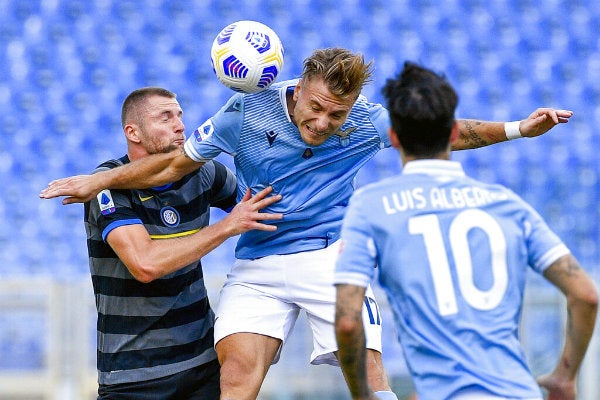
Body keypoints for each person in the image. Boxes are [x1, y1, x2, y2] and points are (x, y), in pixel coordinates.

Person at [40, 48, 574, 400]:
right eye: (315, 108)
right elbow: (178, 163)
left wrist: (517, 129)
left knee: (365, 373)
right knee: (235, 378)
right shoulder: (244, 112)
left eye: (334, 116)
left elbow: (446, 133)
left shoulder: (366, 118)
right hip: (258, 260)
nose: (322, 123)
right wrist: (97, 182)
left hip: (327, 257)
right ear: (300, 87)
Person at [334, 61, 598, 400]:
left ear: (395, 138)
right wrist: (565, 376)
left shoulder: (371, 206)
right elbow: (585, 295)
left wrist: (362, 393)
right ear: (454, 133)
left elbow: (347, 321)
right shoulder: (506, 204)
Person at [83, 87, 282, 400]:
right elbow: (145, 264)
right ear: (133, 132)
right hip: (133, 376)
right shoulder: (107, 184)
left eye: (179, 116)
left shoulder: (202, 172)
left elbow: (262, 210)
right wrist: (227, 227)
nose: (179, 125)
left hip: (203, 367)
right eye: (165, 117)